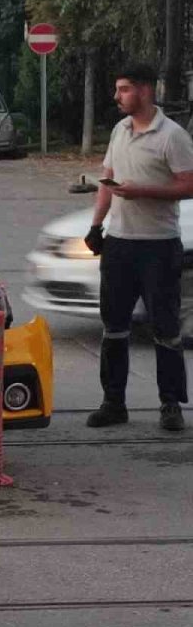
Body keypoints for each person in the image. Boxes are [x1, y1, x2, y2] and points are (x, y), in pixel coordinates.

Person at [84, 63, 193, 432]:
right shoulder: (119, 130)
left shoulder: (172, 136)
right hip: (119, 245)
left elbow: (188, 185)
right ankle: (113, 403)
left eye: (124, 89)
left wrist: (141, 191)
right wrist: (96, 226)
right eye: (117, 89)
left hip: (158, 248)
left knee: (165, 328)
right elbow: (107, 182)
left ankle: (171, 405)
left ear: (145, 91)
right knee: (113, 326)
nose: (117, 96)